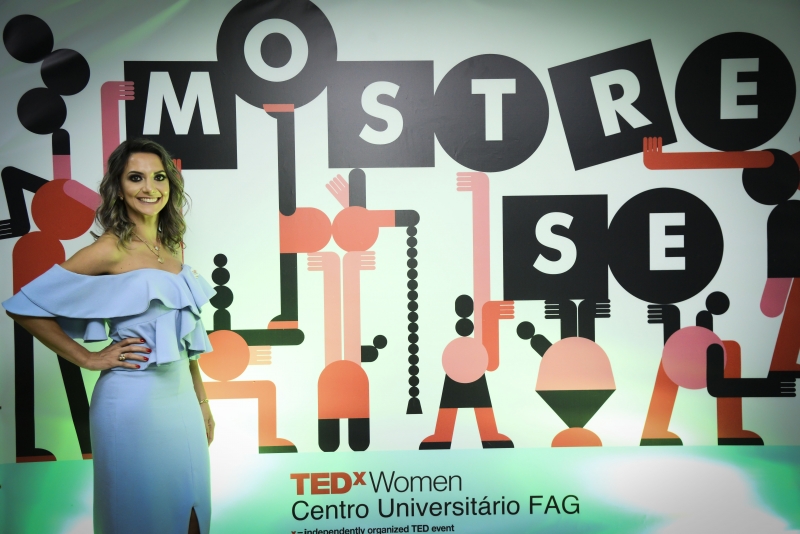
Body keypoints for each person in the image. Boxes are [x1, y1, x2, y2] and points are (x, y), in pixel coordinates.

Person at [3, 138, 215, 534]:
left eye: (159, 177)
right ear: (118, 188)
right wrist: (88, 357)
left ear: (170, 185)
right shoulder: (109, 248)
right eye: (136, 178)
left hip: (183, 402)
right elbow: (23, 306)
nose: (150, 187)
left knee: (191, 515)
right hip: (132, 403)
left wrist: (201, 400)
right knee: (138, 516)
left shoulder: (170, 248)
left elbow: (186, 339)